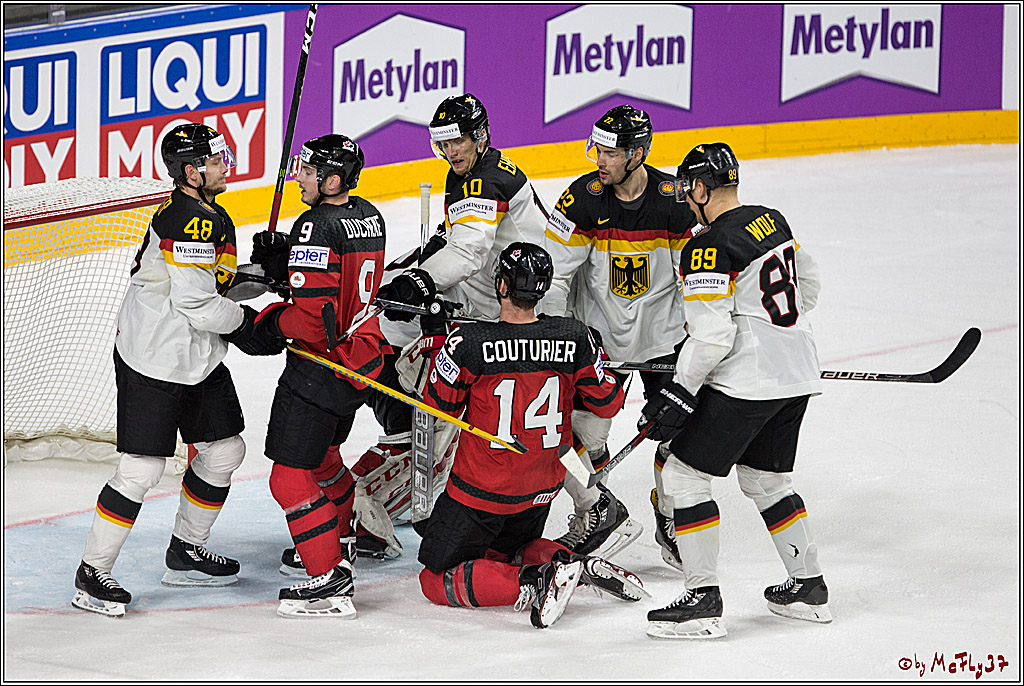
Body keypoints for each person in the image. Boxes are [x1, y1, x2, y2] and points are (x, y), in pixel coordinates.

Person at [72, 123, 275, 617]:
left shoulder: (211, 214)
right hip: (154, 358)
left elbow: (214, 287)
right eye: (216, 158)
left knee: (225, 451)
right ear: (191, 171)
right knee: (142, 467)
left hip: (195, 356)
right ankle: (91, 573)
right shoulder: (186, 219)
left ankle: (185, 550)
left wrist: (264, 273)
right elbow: (196, 303)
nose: (225, 163)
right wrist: (252, 327)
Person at [345, 93, 562, 555]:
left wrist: (421, 280)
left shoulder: (485, 179)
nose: (451, 150)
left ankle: (425, 491)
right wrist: (416, 269)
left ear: (480, 136)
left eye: (458, 140)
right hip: (492, 299)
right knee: (399, 334)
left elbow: (468, 251)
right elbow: (456, 241)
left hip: (517, 311)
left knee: (449, 400)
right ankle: (406, 443)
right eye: (442, 142)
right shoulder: (468, 171)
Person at [641, 142, 829, 640]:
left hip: (748, 381)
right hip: (797, 371)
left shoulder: (708, 244)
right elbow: (807, 283)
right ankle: (808, 587)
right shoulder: (771, 220)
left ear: (701, 188)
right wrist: (774, 331)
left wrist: (681, 391)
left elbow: (713, 335)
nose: (686, 198)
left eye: (688, 188)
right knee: (768, 483)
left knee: (682, 477)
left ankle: (701, 602)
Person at [417, 242, 647, 628]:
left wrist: (437, 344)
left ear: (501, 285)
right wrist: (595, 363)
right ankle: (572, 564)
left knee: (433, 579)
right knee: (507, 552)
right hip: (541, 490)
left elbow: (436, 405)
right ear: (542, 288)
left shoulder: (468, 342)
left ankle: (538, 579)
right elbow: (607, 403)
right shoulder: (574, 337)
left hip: (481, 492)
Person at [543, 104, 698, 559]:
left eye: (610, 152)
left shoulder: (674, 200)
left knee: (676, 433)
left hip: (663, 341)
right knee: (587, 431)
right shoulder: (582, 199)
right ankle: (599, 507)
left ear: (639, 153)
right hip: (600, 339)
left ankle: (668, 513)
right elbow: (554, 277)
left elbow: (696, 277)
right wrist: (559, 338)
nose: (600, 160)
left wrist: (704, 336)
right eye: (599, 150)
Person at [243, 134, 387, 618]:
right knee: (325, 460)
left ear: (330, 179)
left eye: (307, 171)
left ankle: (327, 580)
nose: (298, 177)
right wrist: (288, 264)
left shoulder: (314, 224)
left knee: (288, 477)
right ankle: (339, 541)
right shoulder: (369, 213)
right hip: (359, 364)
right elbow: (341, 286)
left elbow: (310, 323)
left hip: (319, 368)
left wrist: (265, 322)